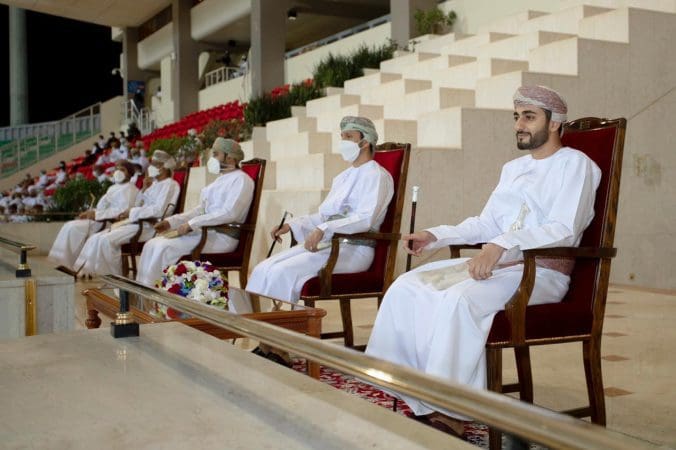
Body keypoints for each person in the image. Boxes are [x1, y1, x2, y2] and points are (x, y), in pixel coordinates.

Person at [364, 85, 601, 435]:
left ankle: (453, 412)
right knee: (407, 286)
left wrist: (501, 245)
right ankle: (410, 389)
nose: (519, 125)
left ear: (554, 123)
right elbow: (486, 223)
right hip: (501, 266)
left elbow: (565, 229)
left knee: (460, 300)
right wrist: (437, 235)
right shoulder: (513, 168)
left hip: (542, 273)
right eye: (516, 117)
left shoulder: (577, 165)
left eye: (529, 117)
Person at [246, 116, 394, 303]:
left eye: (349, 136)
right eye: (342, 136)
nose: (343, 142)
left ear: (365, 142)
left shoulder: (377, 176)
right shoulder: (343, 177)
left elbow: (365, 219)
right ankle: (255, 319)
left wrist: (325, 228)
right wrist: (291, 225)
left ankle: (283, 321)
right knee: (264, 268)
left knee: (281, 271)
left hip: (355, 251)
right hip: (331, 245)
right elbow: (325, 216)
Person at [136, 138, 253, 286]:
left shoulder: (241, 179)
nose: (212, 158)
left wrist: (192, 224)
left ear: (229, 158)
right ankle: (144, 291)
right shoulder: (220, 179)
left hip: (222, 237)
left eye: (215, 154)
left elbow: (230, 213)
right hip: (205, 232)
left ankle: (160, 293)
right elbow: (200, 210)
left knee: (163, 248)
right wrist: (171, 222)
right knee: (151, 244)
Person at [74, 151, 180, 277]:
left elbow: (160, 210)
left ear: (164, 167)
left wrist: (132, 212)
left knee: (107, 241)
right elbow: (138, 204)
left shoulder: (170, 185)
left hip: (151, 226)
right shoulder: (153, 184)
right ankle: (84, 269)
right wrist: (144, 189)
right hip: (136, 222)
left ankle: (114, 278)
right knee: (97, 238)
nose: (151, 167)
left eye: (155, 164)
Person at [47, 160, 139, 272]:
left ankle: (68, 265)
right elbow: (101, 207)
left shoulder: (130, 189)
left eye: (122, 170)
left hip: (110, 222)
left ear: (130, 173)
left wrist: (96, 214)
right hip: (99, 218)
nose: (118, 172)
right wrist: (89, 213)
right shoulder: (113, 188)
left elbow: (122, 212)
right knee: (69, 225)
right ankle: (61, 262)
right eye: (116, 169)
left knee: (74, 228)